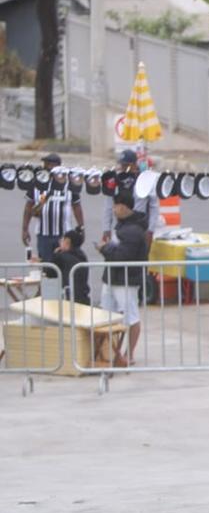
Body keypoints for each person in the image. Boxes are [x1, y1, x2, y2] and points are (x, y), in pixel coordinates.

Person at [98, 190, 149, 367]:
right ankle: (111, 352)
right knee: (106, 316)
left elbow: (122, 256)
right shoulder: (121, 226)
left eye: (115, 206)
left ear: (123, 207)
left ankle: (129, 353)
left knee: (131, 317)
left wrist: (104, 249)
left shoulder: (133, 230)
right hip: (111, 278)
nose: (113, 209)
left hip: (126, 280)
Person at [22, 153, 84, 269]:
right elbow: (28, 206)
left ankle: (64, 287)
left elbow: (77, 207)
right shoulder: (37, 183)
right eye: (46, 164)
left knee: (65, 266)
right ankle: (46, 287)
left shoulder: (69, 185)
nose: (47, 167)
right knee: (46, 266)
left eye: (50, 164)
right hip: (44, 235)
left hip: (64, 235)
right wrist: (25, 229)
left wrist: (81, 227)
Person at [103, 150, 159, 249]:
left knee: (140, 260)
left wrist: (150, 231)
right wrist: (106, 230)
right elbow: (108, 207)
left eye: (127, 165)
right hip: (121, 228)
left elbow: (154, 207)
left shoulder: (145, 179)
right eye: (122, 165)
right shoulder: (114, 180)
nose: (124, 168)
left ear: (134, 164)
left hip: (141, 227)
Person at [39, 227, 90, 305]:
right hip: (83, 297)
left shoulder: (61, 256)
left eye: (62, 240)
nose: (60, 242)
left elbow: (49, 273)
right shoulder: (82, 256)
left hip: (68, 298)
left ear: (67, 242)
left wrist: (55, 254)